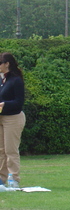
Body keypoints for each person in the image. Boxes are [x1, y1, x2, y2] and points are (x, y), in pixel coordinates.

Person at [0, 53, 26, 187]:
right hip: (1, 118)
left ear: (7, 64)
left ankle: (14, 178)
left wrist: (5, 104)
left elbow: (19, 102)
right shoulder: (2, 80)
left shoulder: (16, 80)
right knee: (1, 150)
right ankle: (1, 179)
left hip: (13, 118)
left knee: (11, 150)